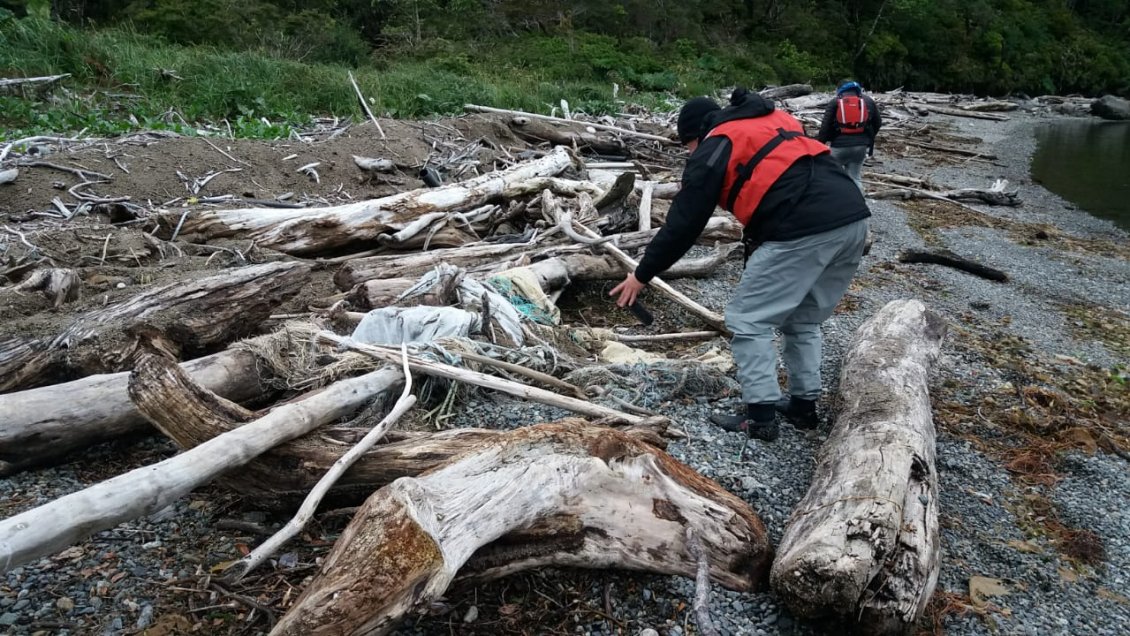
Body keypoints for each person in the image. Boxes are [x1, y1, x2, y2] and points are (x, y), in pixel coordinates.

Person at [609, 88, 870, 442]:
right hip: (853, 218)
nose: (689, 153)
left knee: (748, 319)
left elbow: (684, 224)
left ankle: (760, 417)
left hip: (804, 228)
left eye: (687, 145)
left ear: (697, 134)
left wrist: (641, 275)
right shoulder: (769, 121)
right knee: (803, 319)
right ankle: (803, 406)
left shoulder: (714, 146)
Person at [816, 80, 882, 193]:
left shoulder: (835, 102)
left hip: (839, 147)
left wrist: (819, 145)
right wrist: (867, 140)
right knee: (855, 177)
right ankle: (859, 201)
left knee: (830, 175)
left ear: (839, 89)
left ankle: (831, 200)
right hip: (861, 147)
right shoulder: (868, 101)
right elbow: (878, 123)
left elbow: (825, 127)